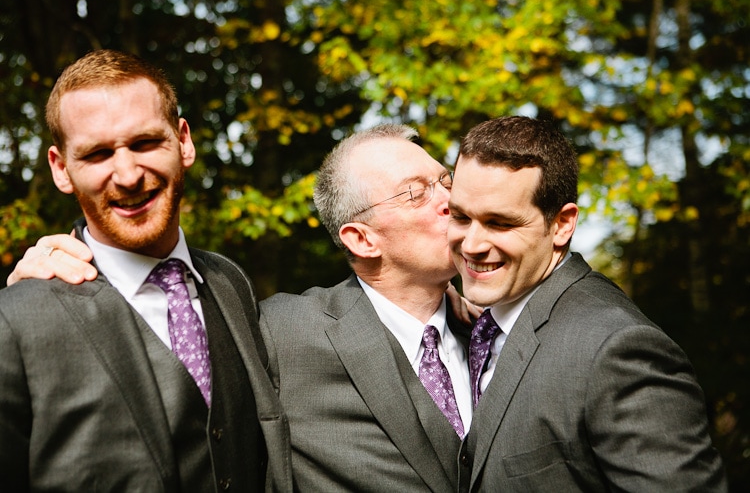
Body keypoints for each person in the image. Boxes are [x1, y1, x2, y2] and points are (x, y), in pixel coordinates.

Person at [8, 124, 475, 491]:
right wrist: (46, 278)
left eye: (445, 180)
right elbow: (158, 334)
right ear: (361, 238)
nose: (449, 201)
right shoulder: (280, 330)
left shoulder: (494, 330)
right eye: (416, 192)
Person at [0, 49, 292, 492]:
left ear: (183, 142)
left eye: (144, 143)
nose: (128, 174)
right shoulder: (18, 318)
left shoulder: (230, 283)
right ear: (61, 169)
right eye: (97, 154)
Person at [448, 116, 726, 491]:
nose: (471, 244)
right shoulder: (486, 322)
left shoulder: (616, 350)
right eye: (461, 216)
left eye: (500, 223)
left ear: (562, 224)